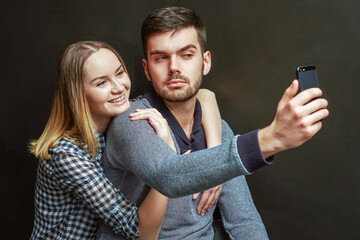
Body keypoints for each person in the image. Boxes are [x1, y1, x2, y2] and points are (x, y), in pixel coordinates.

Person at [96, 6, 329, 240]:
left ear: (205, 62)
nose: (174, 67)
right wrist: (270, 139)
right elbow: (169, 176)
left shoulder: (218, 128)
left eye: (186, 55)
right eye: (161, 58)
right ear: (147, 69)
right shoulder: (133, 120)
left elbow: (243, 220)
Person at [29, 40, 222, 239]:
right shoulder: (66, 154)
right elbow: (134, 228)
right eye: (101, 82)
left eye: (120, 73)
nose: (118, 88)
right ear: (77, 93)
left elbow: (205, 95)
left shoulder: (120, 114)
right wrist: (167, 158)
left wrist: (215, 159)